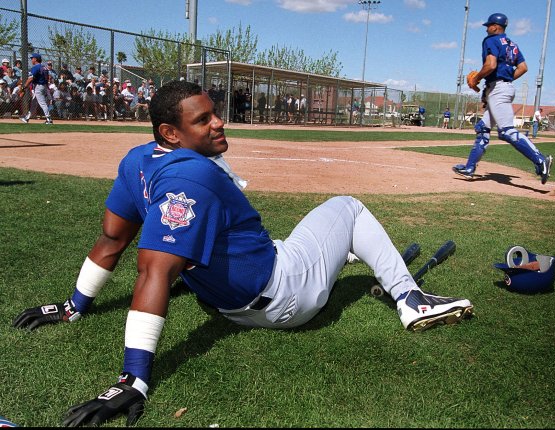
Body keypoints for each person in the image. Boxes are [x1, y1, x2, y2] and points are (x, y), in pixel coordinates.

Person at [13, 80, 473, 427]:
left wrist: (74, 307)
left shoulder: (138, 161)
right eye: (203, 120)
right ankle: (411, 300)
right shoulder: (194, 177)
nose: (218, 123)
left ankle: (344, 260)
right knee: (347, 208)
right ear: (171, 132)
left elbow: (113, 240)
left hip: (231, 304)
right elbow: (152, 271)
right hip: (286, 298)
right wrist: (133, 379)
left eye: (215, 113)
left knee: (265, 244)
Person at [452, 13, 553, 184]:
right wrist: (506, 78)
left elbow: (490, 65)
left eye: (489, 25)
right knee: (483, 128)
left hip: (498, 89)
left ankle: (541, 160)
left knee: (506, 131)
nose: (486, 28)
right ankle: (469, 167)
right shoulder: (512, 45)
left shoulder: (490, 40)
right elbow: (523, 67)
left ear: (496, 27)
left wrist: (477, 79)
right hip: (502, 87)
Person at [20, 53, 53, 125]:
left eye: (32, 58)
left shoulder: (36, 67)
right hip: (44, 86)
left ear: (35, 59)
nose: (31, 60)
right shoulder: (44, 67)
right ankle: (27, 118)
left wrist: (24, 87)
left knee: (42, 103)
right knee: (34, 103)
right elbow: (48, 78)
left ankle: (49, 119)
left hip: (38, 86)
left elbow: (30, 79)